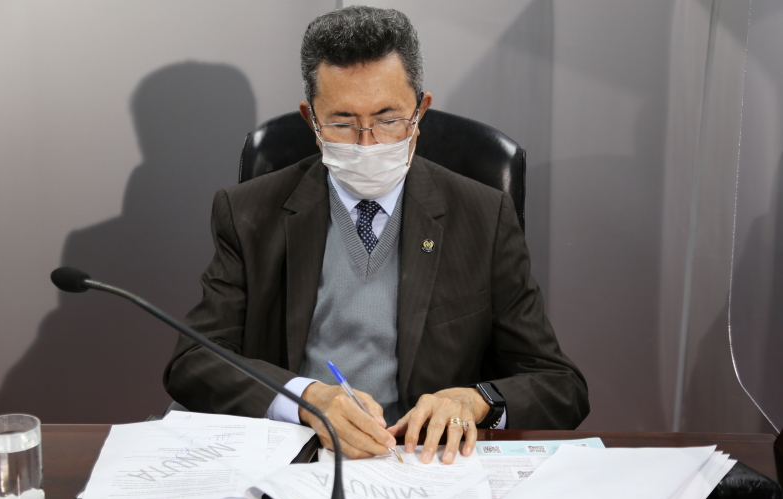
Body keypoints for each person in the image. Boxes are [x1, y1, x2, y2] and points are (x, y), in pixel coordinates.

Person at [164, 6, 589, 464]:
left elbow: (559, 385)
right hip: (298, 458)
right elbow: (193, 360)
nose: (367, 144)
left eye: (388, 119)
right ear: (311, 121)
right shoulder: (250, 212)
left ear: (420, 111)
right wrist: (305, 398)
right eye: (342, 122)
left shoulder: (483, 217)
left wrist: (475, 400)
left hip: (425, 464)